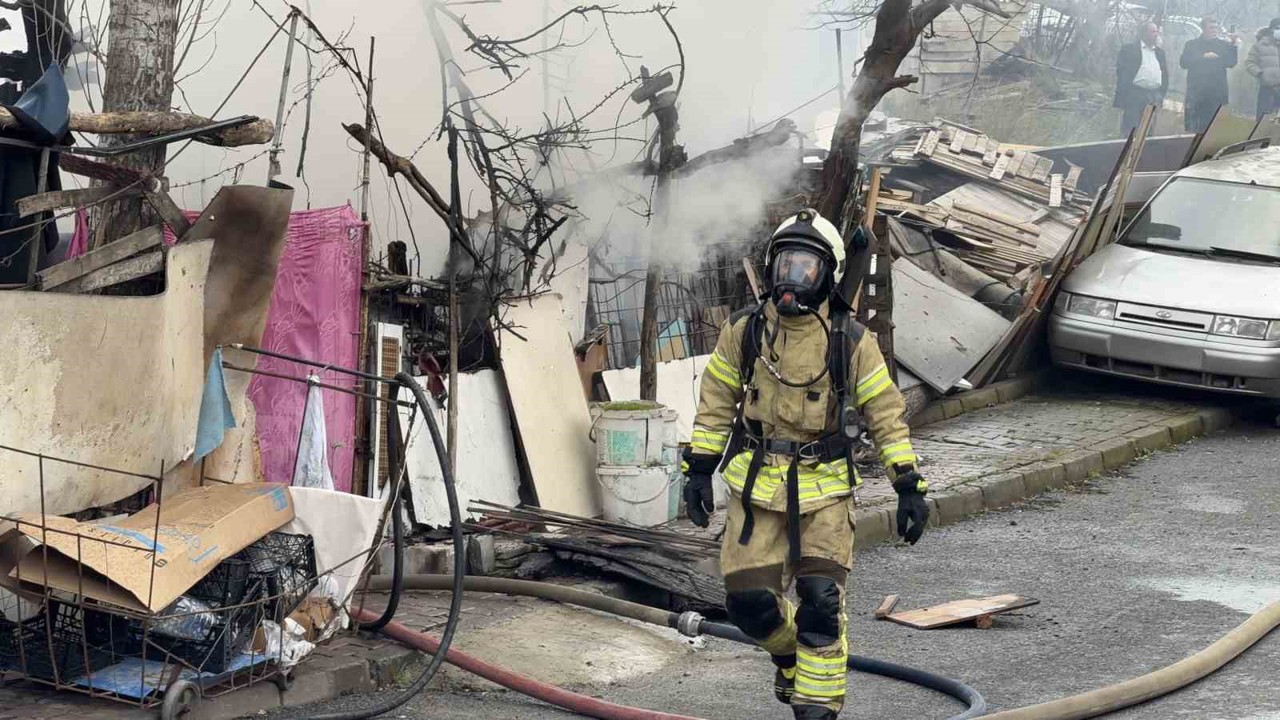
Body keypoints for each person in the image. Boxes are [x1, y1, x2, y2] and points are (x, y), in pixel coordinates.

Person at [681, 209, 928, 720]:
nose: (792, 279)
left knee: (820, 602)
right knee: (749, 606)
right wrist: (699, 469)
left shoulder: (850, 341)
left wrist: (908, 483)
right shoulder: (744, 333)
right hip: (754, 490)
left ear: (827, 274)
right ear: (771, 269)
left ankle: (817, 708)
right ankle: (790, 655)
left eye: (806, 268)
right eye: (785, 266)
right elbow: (715, 404)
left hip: (826, 492)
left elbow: (885, 411)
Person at [1180, 17, 1240, 132]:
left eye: (1216, 28)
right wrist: (1203, 57)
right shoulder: (1192, 44)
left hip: (1217, 93)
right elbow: (1184, 63)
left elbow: (1231, 63)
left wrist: (1233, 45)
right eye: (1211, 28)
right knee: (1194, 128)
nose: (1214, 30)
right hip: (1196, 92)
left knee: (1214, 129)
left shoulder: (1224, 45)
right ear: (1203, 29)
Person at [1115, 22, 1169, 134]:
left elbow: (1164, 74)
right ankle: (1126, 149)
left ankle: (1145, 150)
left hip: (1154, 96)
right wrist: (1124, 95)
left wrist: (1161, 95)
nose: (1156, 35)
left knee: (1148, 129)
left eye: (1157, 32)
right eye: (1153, 31)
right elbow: (1122, 72)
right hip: (1135, 94)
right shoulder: (1129, 49)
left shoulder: (1159, 53)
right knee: (1131, 128)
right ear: (1144, 33)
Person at [1246, 18, 1280, 121]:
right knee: (1263, 120)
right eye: (1277, 28)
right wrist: (1260, 73)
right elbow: (1249, 63)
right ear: (1271, 30)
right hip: (1267, 88)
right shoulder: (1260, 45)